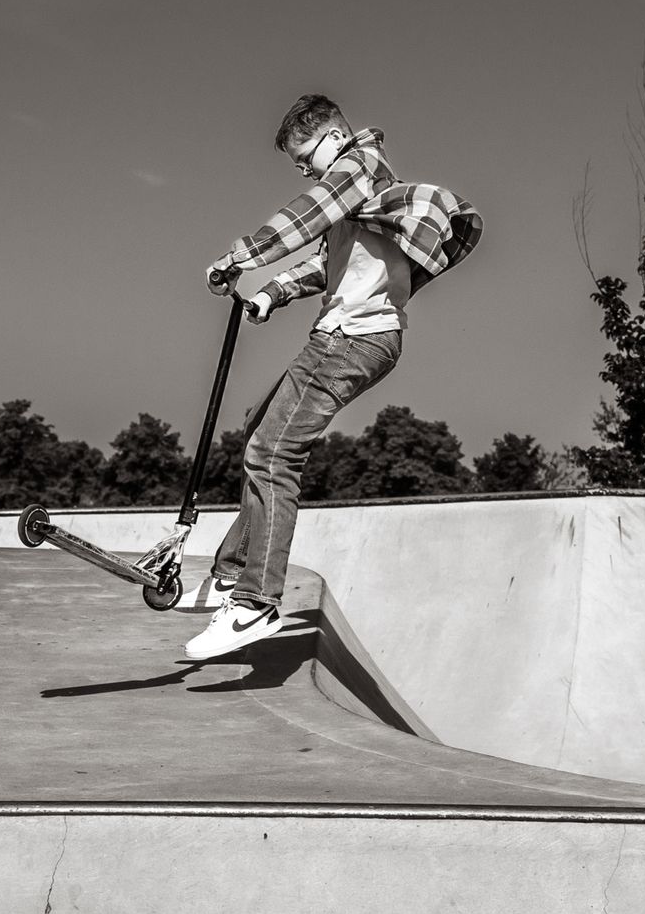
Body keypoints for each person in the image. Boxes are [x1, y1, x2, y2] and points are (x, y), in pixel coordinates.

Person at [180, 94, 482, 658]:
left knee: (273, 456)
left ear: (333, 137)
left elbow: (309, 210)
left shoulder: (358, 167)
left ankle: (254, 604)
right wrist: (272, 291)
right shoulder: (364, 199)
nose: (303, 169)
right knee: (258, 430)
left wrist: (243, 256)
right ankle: (230, 573)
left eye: (303, 158)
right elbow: (328, 261)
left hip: (352, 339)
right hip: (346, 337)